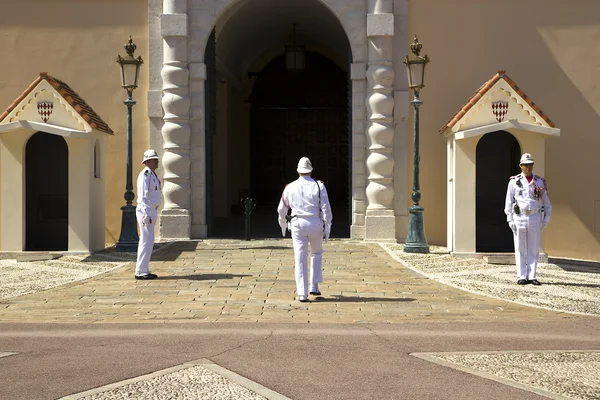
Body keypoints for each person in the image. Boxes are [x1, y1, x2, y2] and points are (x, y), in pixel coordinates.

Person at [277, 157, 333, 302]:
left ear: (298, 171)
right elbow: (326, 208)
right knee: (316, 253)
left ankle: (302, 293)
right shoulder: (319, 186)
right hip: (315, 221)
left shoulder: (290, 187)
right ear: (311, 170)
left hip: (297, 223)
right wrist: (328, 225)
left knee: (300, 257)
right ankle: (314, 286)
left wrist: (283, 224)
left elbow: (282, 209)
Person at [504, 153, 552, 286]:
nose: (528, 167)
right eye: (525, 165)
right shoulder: (514, 182)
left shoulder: (539, 182)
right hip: (520, 217)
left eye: (530, 164)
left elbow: (546, 201)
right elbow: (509, 202)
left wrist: (546, 217)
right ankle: (521, 276)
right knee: (520, 247)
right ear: (521, 166)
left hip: (535, 217)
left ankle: (532, 276)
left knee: (533, 247)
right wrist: (510, 219)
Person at [134, 149, 162, 280]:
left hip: (151, 209)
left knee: (149, 241)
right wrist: (146, 214)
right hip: (146, 210)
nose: (157, 162)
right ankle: (141, 271)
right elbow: (143, 195)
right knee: (145, 241)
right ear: (149, 161)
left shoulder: (152, 174)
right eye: (155, 159)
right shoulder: (145, 174)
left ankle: (144, 269)